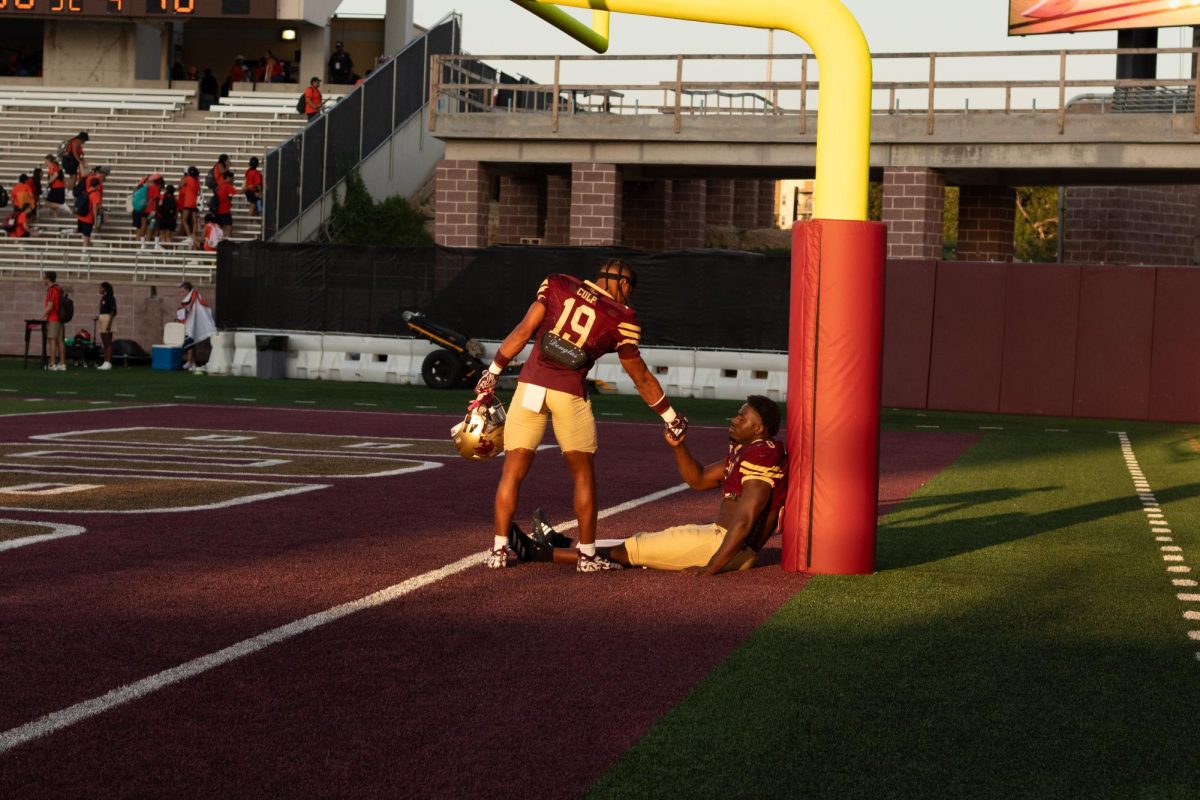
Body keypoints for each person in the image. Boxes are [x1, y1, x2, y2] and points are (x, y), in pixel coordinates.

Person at [474, 259, 688, 572]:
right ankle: (587, 557)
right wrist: (669, 416)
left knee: (513, 471)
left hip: (530, 386)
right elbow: (640, 376)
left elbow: (523, 331)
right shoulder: (622, 317)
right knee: (583, 474)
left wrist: (493, 372)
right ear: (623, 284)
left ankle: (498, 551)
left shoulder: (558, 284)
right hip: (569, 394)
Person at [511, 396, 787, 576]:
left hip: (727, 545)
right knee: (639, 539)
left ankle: (538, 553)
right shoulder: (746, 450)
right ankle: (561, 542)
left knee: (631, 551)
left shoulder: (763, 453)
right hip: (719, 536)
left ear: (760, 429)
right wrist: (678, 447)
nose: (735, 420)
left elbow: (746, 517)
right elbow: (699, 479)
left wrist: (713, 566)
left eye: (743, 418)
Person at [177, 281, 215, 371]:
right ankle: (192, 362)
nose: (181, 294)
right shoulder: (192, 296)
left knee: (190, 340)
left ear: (187, 290)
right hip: (192, 322)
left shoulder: (193, 297)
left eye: (182, 292)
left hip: (193, 322)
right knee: (191, 341)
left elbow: (191, 309)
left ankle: (190, 362)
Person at [75, 167, 106, 251]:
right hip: (88, 218)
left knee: (85, 235)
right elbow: (95, 208)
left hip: (81, 216)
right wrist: (95, 220)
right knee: (86, 237)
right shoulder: (96, 194)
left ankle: (86, 251)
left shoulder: (87, 191)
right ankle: (84, 255)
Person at [41, 271, 66, 371]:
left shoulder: (52, 290)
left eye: (45, 278)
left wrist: (42, 315)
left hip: (53, 318)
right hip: (60, 318)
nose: (43, 280)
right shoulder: (59, 288)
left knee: (52, 340)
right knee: (61, 341)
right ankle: (62, 364)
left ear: (48, 279)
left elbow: (50, 305)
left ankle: (52, 363)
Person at [97, 281, 117, 370]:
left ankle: (108, 361)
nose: (99, 289)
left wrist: (109, 323)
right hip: (102, 319)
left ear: (105, 289)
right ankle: (105, 361)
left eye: (101, 288)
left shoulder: (110, 297)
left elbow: (112, 311)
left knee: (108, 342)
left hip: (107, 319)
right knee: (104, 342)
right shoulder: (103, 298)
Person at [178, 166, 200, 244]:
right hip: (194, 203)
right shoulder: (197, 181)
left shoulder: (187, 179)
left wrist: (184, 178)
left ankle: (189, 236)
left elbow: (179, 186)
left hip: (188, 202)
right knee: (194, 221)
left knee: (184, 220)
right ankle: (193, 234)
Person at [215, 169, 237, 237]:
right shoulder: (226, 185)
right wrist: (247, 187)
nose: (233, 179)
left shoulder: (220, 184)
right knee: (229, 226)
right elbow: (237, 192)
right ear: (228, 178)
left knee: (220, 226)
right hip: (224, 210)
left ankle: (219, 241)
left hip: (218, 210)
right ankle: (228, 241)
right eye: (232, 178)